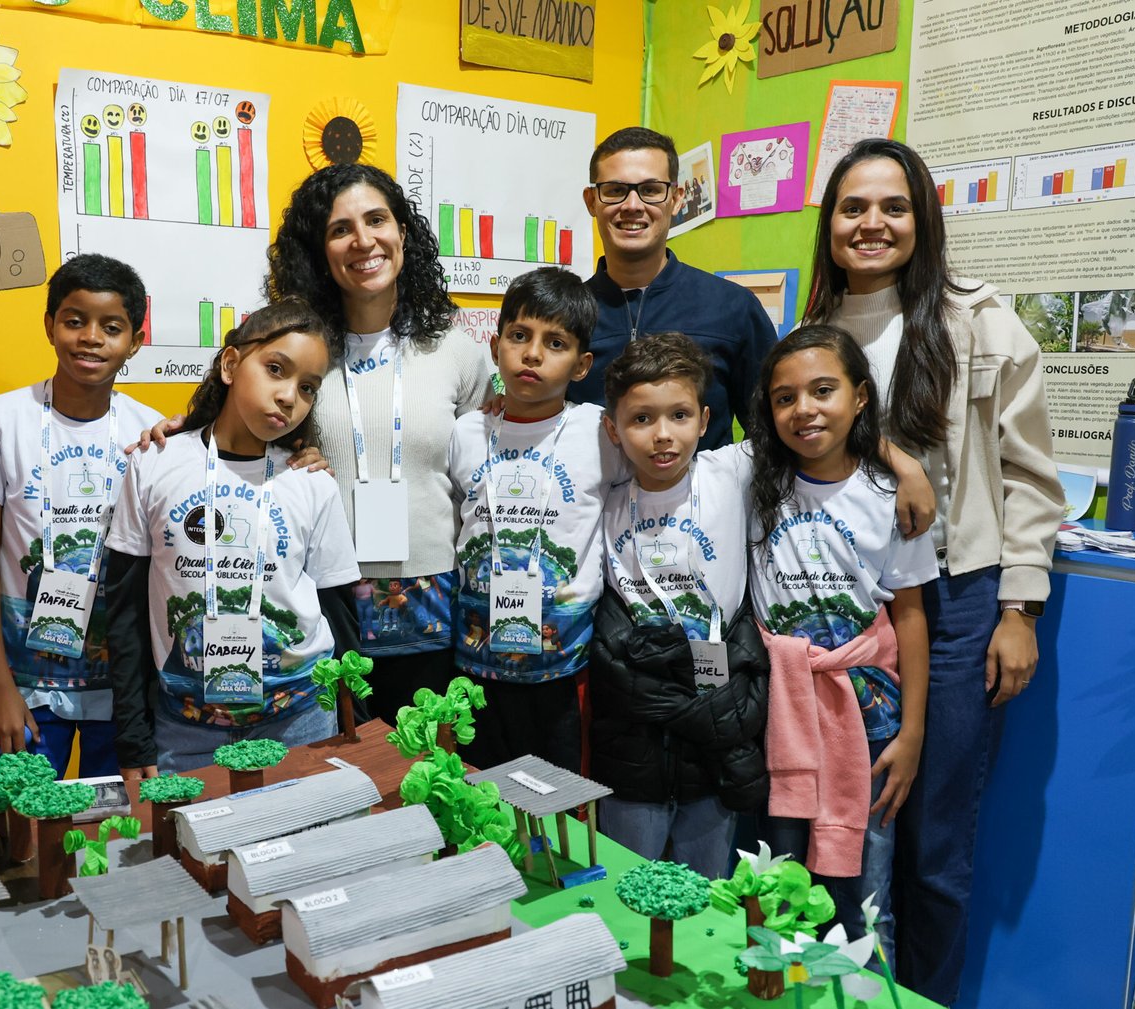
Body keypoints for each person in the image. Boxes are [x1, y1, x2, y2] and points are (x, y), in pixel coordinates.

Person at [803, 137, 1065, 1004]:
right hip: (842, 606)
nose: (871, 223)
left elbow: (1030, 475)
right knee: (848, 828)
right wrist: (892, 453)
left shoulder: (979, 321)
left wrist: (1020, 607)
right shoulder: (812, 329)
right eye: (853, 207)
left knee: (936, 842)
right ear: (830, 223)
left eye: (893, 206)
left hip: (955, 601)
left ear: (923, 220)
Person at [144, 165, 494, 723]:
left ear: (402, 232)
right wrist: (176, 431)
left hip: (434, 609)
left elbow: (482, 473)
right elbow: (235, 422)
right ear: (319, 251)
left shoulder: (457, 351)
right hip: (323, 604)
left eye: (376, 220)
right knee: (342, 764)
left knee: (424, 764)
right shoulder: (300, 352)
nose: (363, 241)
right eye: (340, 229)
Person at [103, 300, 360, 779]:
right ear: (230, 364)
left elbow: (339, 612)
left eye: (308, 387)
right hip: (186, 730)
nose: (289, 396)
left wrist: (353, 726)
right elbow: (126, 611)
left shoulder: (310, 481)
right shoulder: (155, 463)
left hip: (301, 721)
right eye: (275, 369)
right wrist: (133, 739)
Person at [746, 324, 937, 967]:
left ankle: (869, 994)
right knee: (779, 885)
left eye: (823, 391)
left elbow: (911, 616)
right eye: (785, 398)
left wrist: (911, 734)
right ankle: (780, 994)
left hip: (872, 721)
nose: (804, 409)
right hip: (782, 717)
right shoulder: (752, 480)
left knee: (866, 895)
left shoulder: (888, 496)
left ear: (860, 398)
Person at [0, 254, 163, 777]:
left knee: (116, 819)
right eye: (74, 321)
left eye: (111, 327)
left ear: (135, 341)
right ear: (49, 325)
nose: (90, 338)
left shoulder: (151, 432)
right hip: (28, 684)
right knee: (28, 817)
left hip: (121, 688)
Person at [588, 332, 768, 879]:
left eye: (680, 415)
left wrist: (902, 467)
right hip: (635, 722)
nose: (663, 435)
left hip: (716, 711)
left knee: (706, 886)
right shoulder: (605, 494)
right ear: (614, 430)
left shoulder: (730, 472)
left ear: (705, 419)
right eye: (642, 419)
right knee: (627, 884)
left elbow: (817, 431)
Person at [448, 267, 621, 773]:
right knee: (479, 794)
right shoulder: (467, 432)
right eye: (519, 336)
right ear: (496, 345)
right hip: (475, 667)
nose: (532, 354)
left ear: (582, 364)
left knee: (558, 801)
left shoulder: (600, 433)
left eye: (555, 343)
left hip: (564, 671)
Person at [569, 126, 777, 452]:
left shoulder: (732, 307)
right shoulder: (564, 315)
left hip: (703, 486)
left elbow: (771, 433)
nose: (632, 205)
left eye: (651, 190)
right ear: (591, 201)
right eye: (615, 190)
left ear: (677, 198)